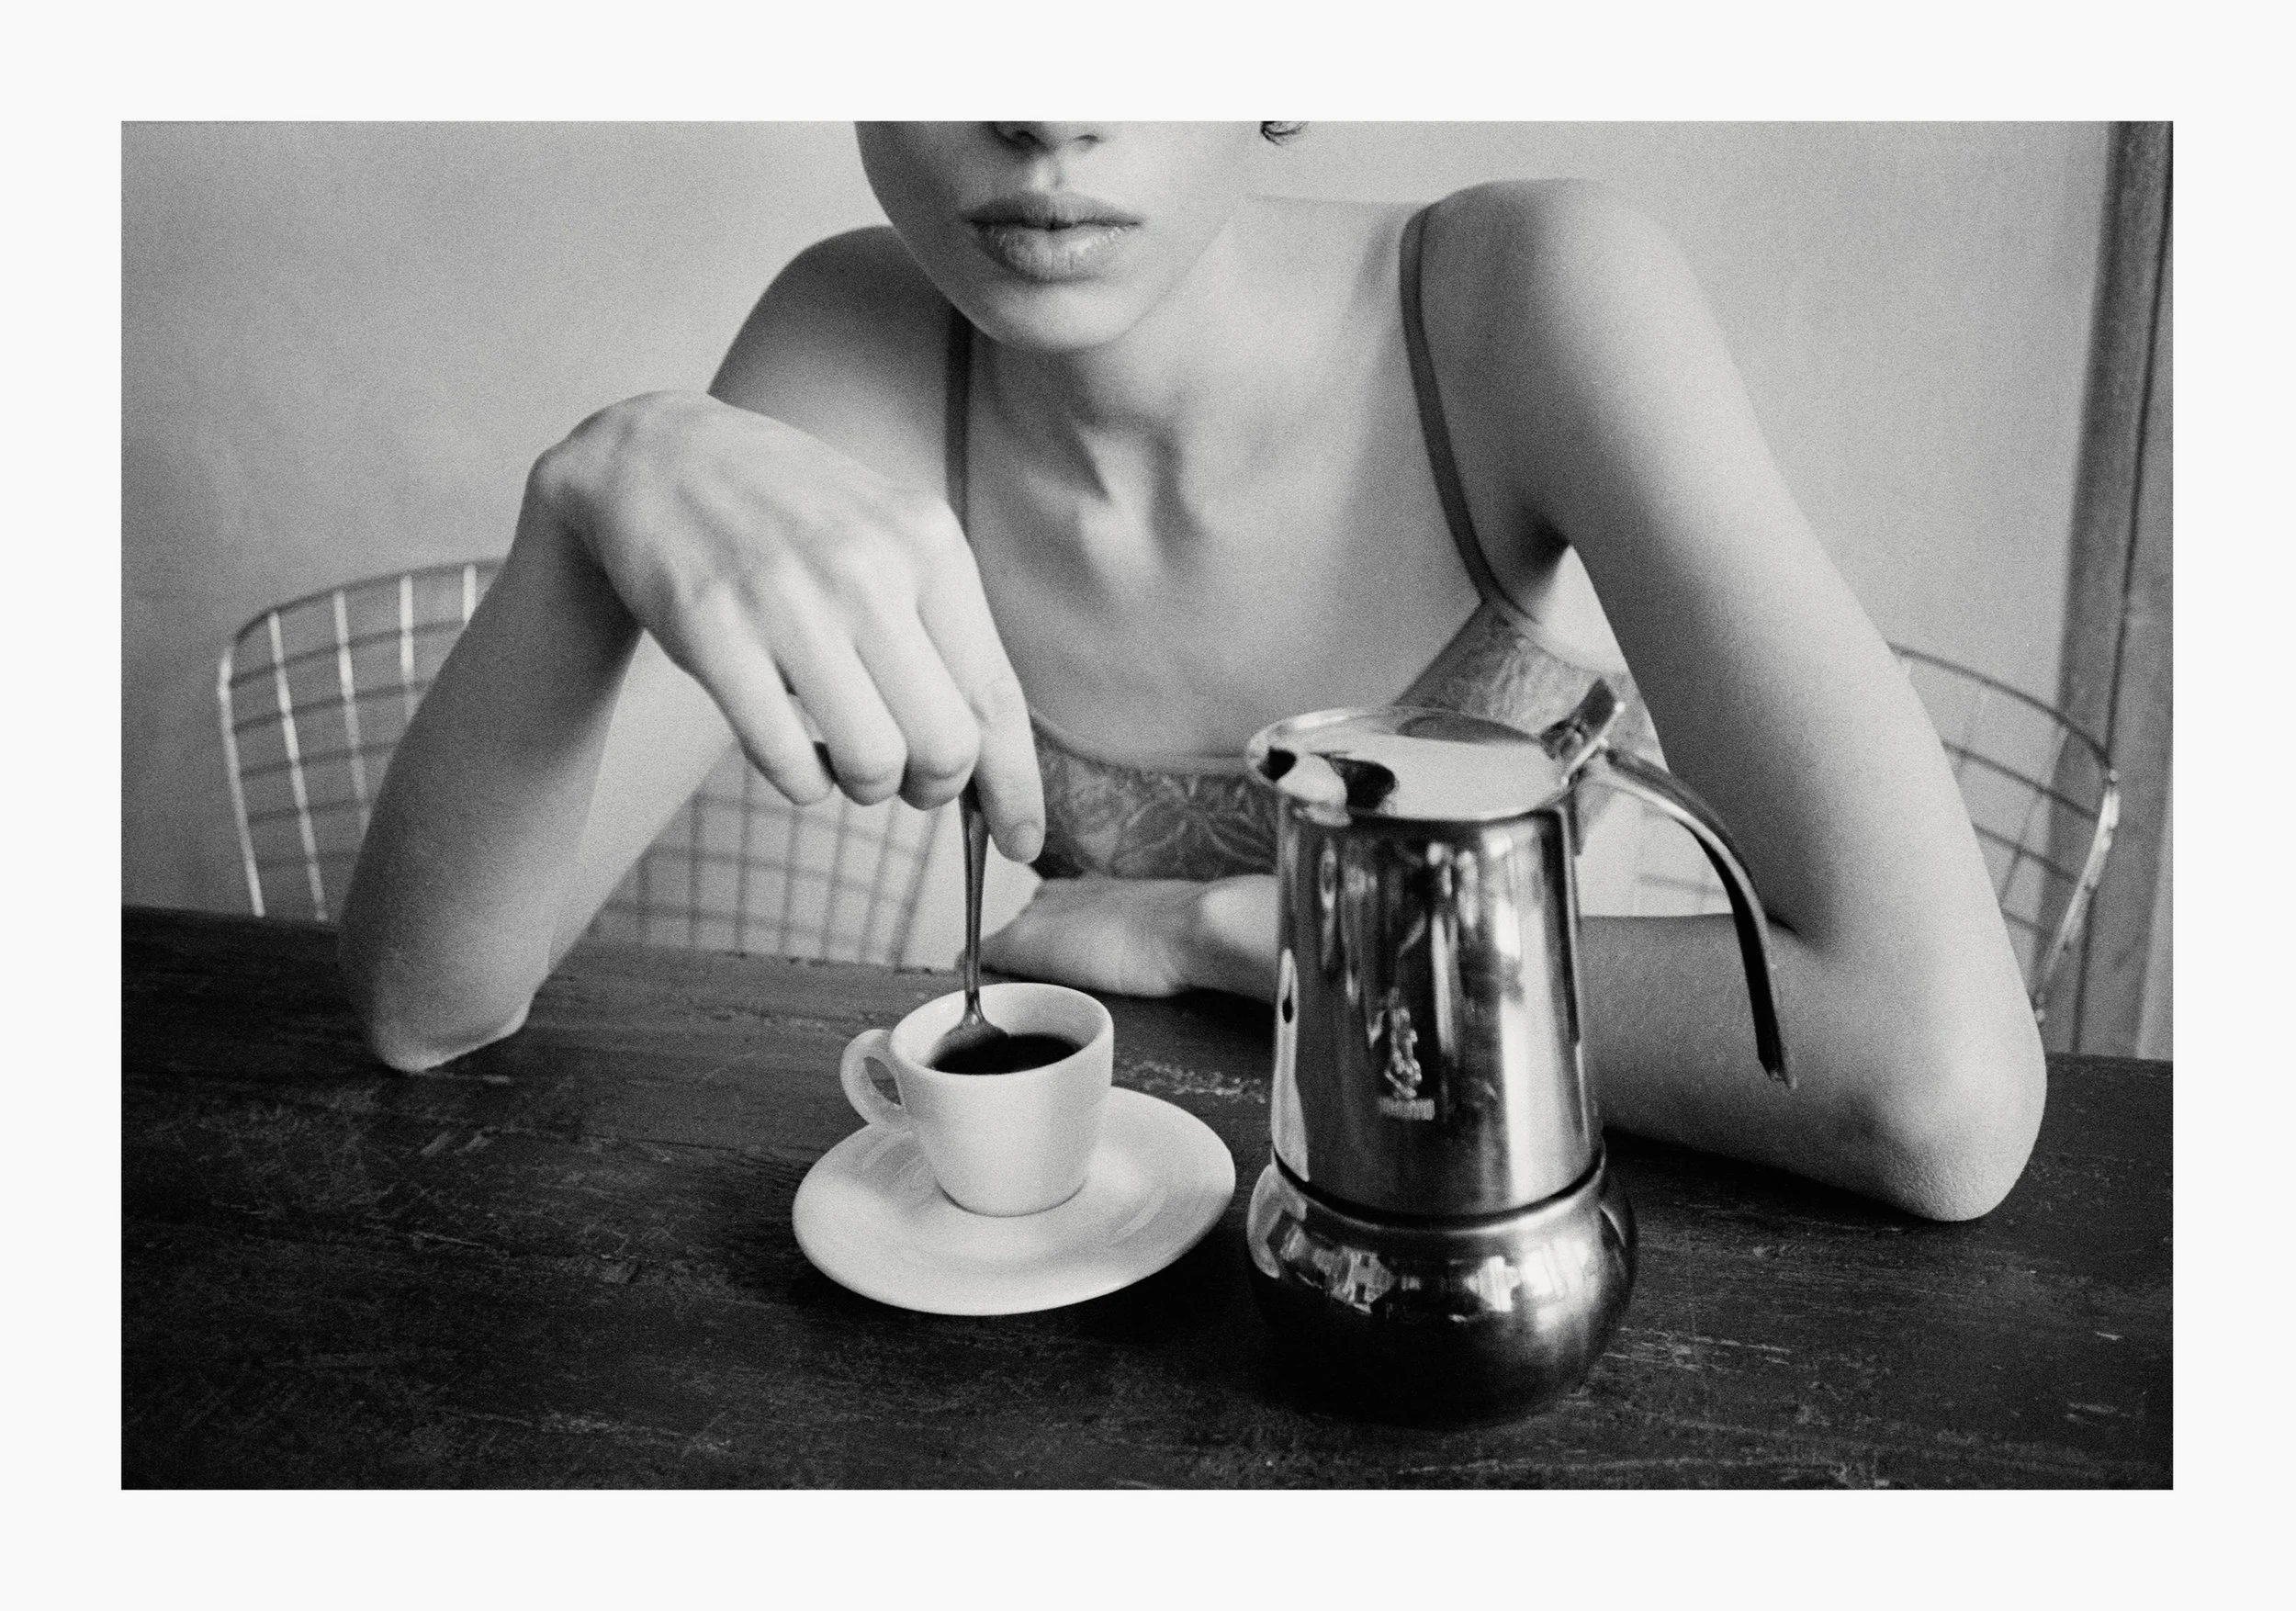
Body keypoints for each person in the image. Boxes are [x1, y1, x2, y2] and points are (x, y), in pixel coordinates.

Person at [339, 122, 2043, 1222]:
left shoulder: (1529, 294)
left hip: (1518, 1243)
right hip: (1098, 1283)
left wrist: (1205, 931)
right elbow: (431, 1004)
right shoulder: (857, 337)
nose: (1048, 105)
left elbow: (1937, 1089)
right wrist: (592, 489)